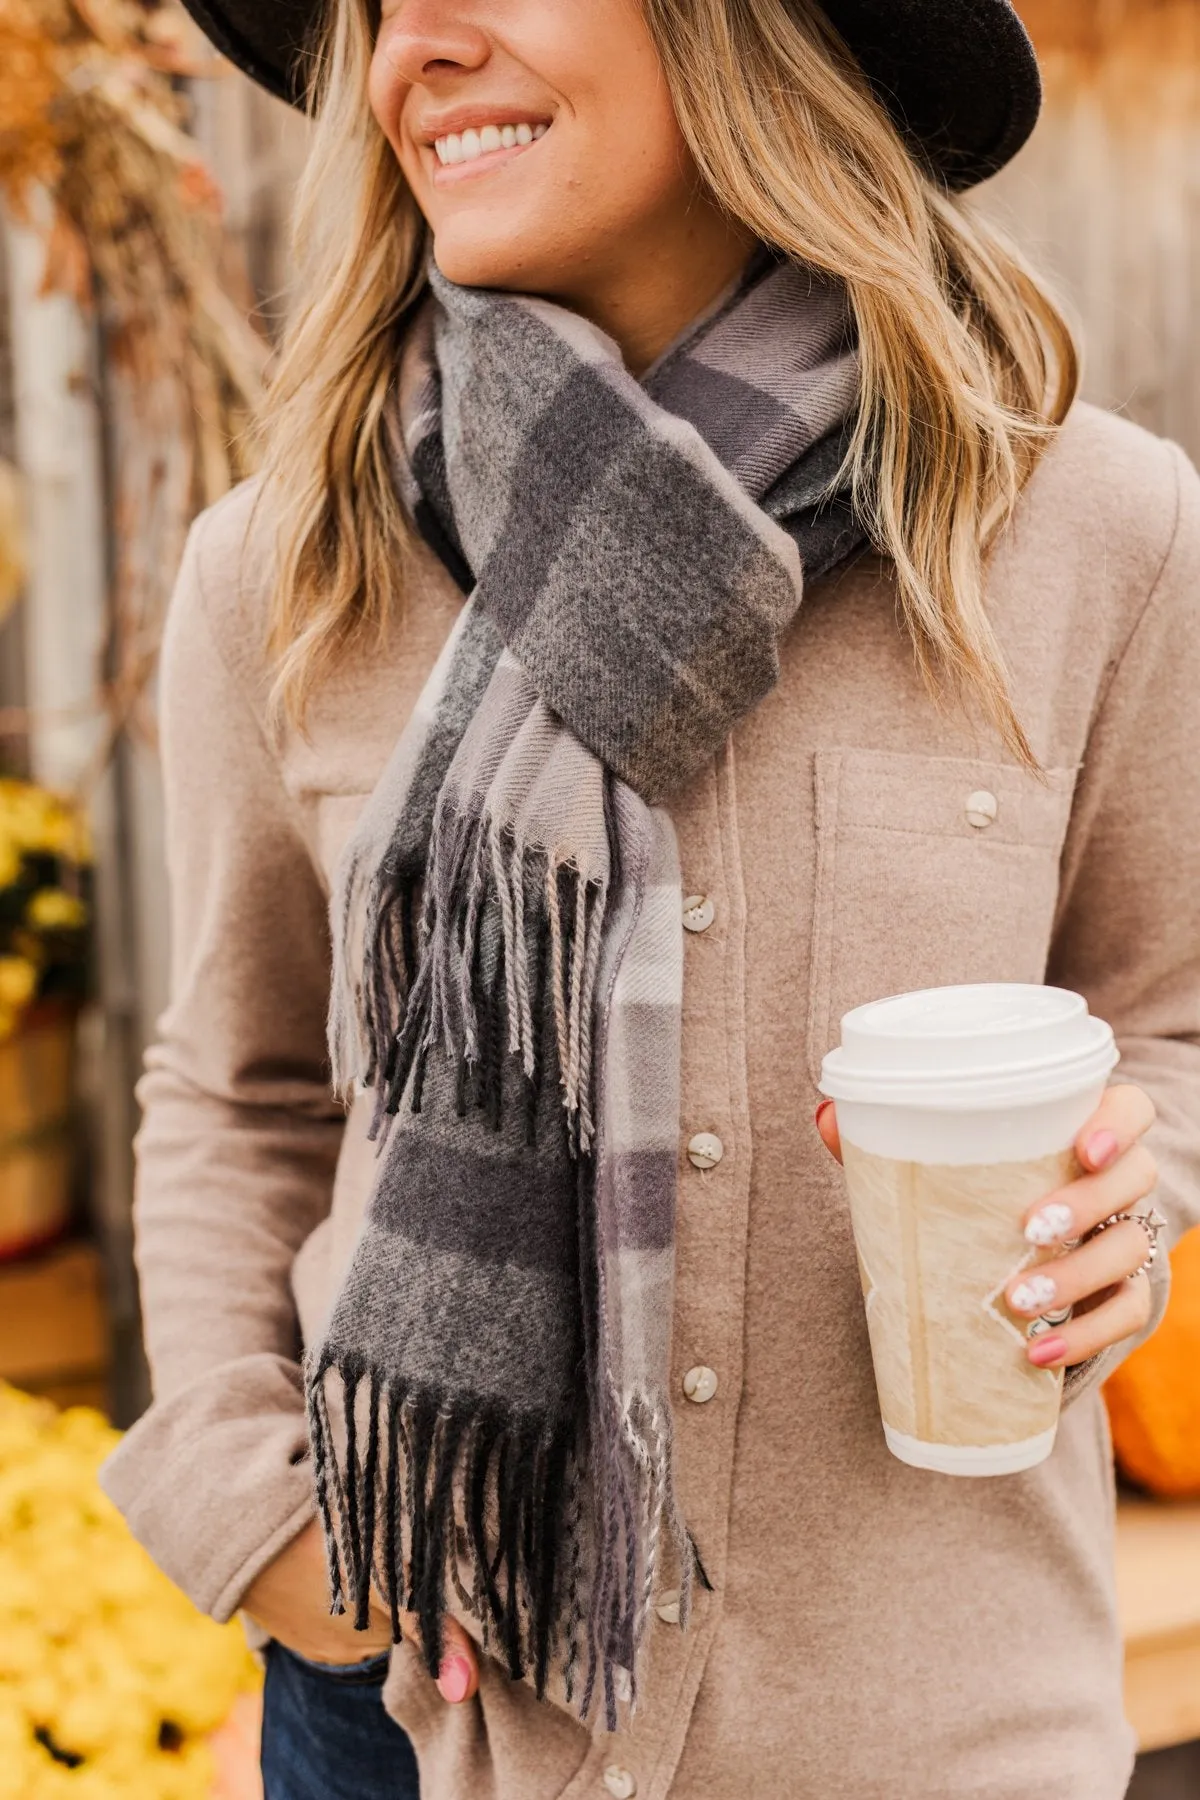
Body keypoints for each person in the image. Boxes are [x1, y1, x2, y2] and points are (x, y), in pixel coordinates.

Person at [100, 1, 1200, 1796]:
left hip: (927, 1724)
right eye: (383, 4)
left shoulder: (1090, 534)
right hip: (415, 1711)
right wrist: (260, 1523)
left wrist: (1122, 1212)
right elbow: (237, 1091)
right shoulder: (285, 566)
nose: (416, 48)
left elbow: (1170, 1013)